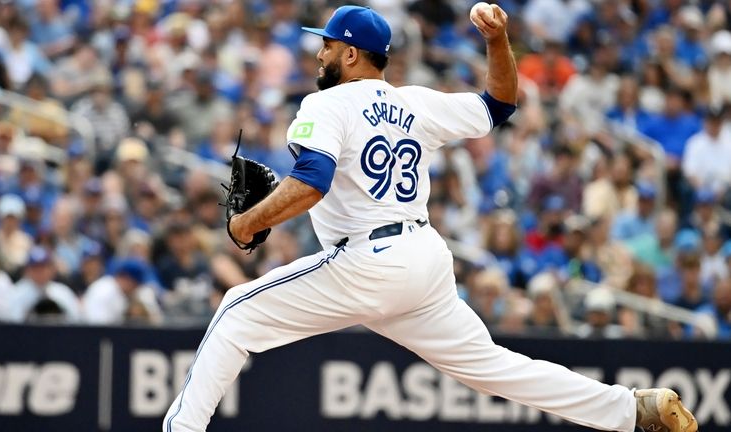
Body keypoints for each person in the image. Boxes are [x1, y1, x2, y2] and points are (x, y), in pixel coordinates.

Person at [163, 5, 696, 432]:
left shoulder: (324, 106)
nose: (319, 52)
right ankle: (631, 412)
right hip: (422, 259)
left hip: (369, 260)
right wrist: (496, 42)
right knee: (492, 366)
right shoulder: (415, 102)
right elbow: (500, 104)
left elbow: (312, 183)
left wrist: (246, 222)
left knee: (236, 308)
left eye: (326, 44)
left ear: (350, 54)